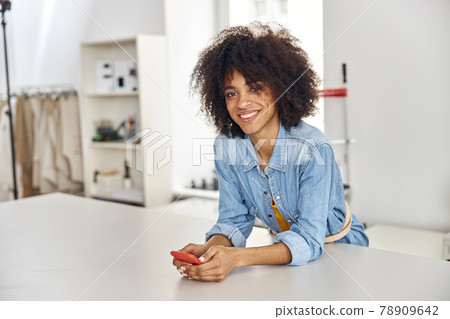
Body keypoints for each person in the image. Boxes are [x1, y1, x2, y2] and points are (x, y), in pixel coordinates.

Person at [173, 22, 369, 282]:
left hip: (345, 253)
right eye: (232, 93)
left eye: (255, 87)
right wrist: (211, 250)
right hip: (288, 256)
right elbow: (233, 220)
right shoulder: (227, 146)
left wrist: (236, 258)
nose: (242, 103)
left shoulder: (312, 149)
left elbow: (309, 240)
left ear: (280, 88)